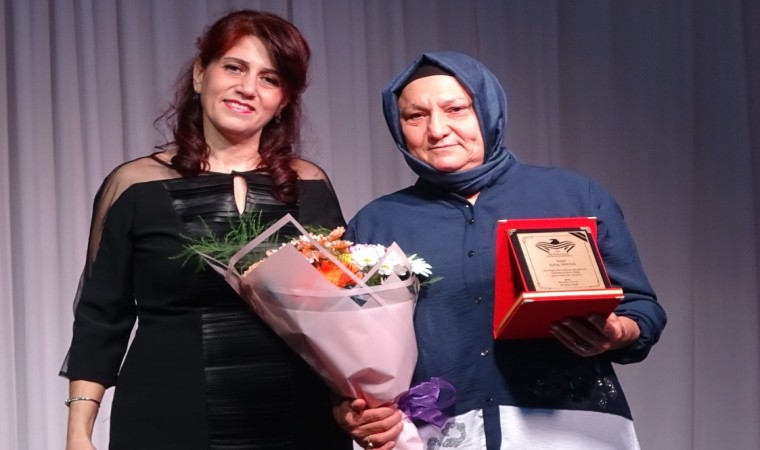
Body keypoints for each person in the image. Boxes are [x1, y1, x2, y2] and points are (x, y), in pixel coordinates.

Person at [335, 51, 667, 449]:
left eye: (456, 109)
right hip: (439, 434)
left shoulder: (572, 195)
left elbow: (641, 308)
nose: (437, 129)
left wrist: (617, 332)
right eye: (415, 116)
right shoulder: (377, 223)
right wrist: (350, 407)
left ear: (488, 110)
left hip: (570, 431)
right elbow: (350, 350)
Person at [59, 10, 351, 450]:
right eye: (234, 67)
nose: (248, 88)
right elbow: (101, 317)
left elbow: (342, 311)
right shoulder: (134, 186)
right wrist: (78, 433)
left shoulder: (311, 185)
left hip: (299, 419)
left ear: (284, 100)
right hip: (167, 417)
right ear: (200, 74)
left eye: (270, 79)